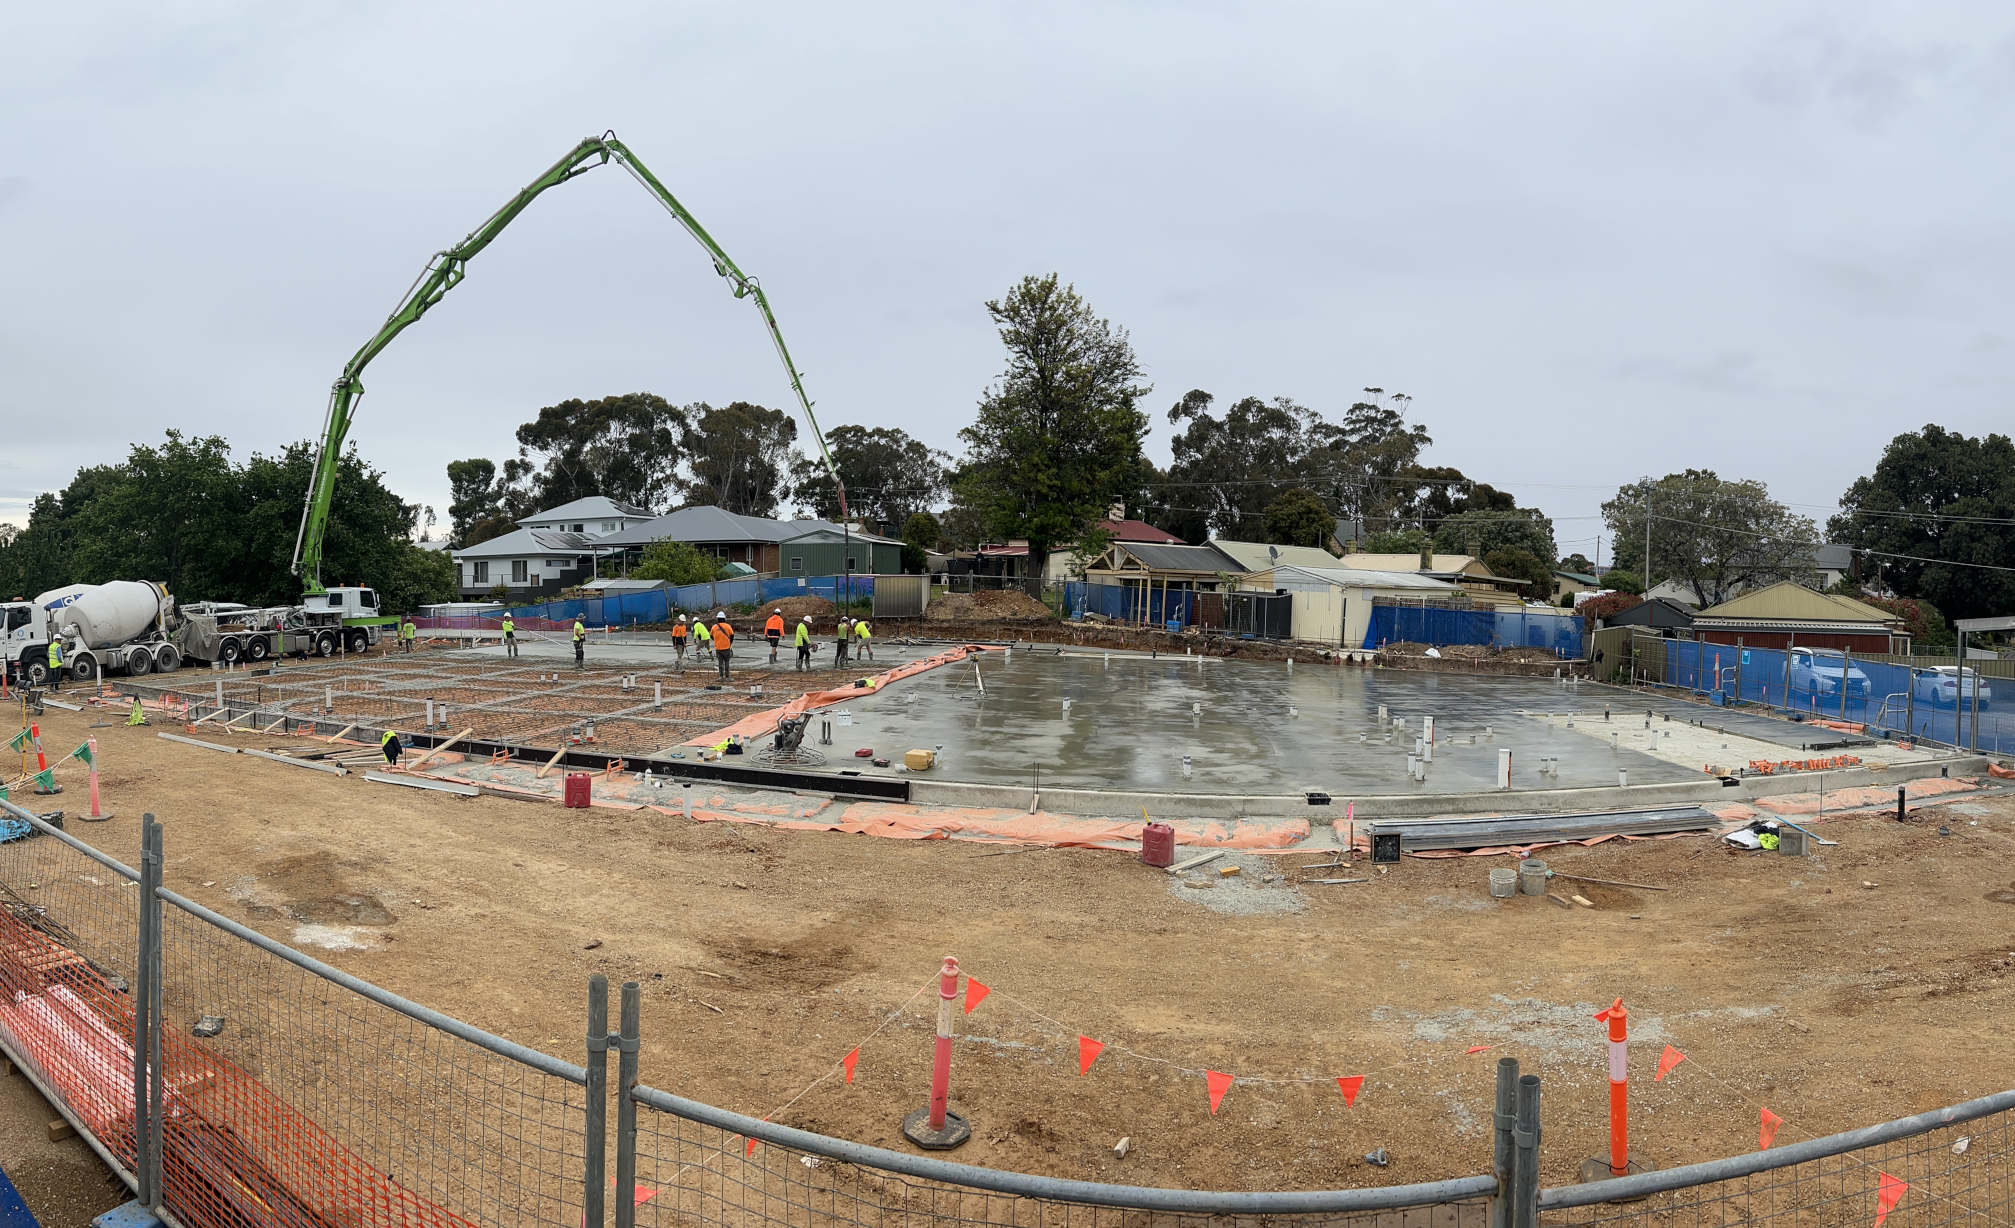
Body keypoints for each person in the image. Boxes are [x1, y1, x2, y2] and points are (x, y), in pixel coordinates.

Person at [712, 611, 734, 682]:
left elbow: (711, 636)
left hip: (718, 648)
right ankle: (727, 677)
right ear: (724, 618)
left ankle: (721, 677)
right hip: (726, 648)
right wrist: (729, 643)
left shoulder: (714, 627)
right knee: (727, 662)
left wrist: (716, 640)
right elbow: (732, 635)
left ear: (718, 619)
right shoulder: (728, 626)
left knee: (720, 663)